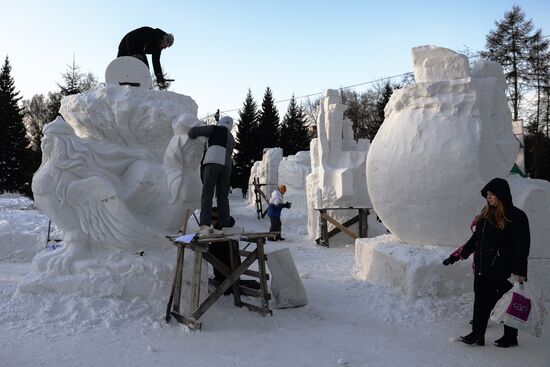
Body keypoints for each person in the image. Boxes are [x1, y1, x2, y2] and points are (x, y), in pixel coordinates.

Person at [446, 177, 530, 348]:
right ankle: (477, 335)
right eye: (488, 195)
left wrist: (520, 272)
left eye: (492, 194)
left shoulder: (516, 217)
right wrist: (456, 256)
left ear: (502, 195)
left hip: (503, 271)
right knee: (481, 303)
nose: (489, 197)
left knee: (508, 303)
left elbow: (522, 246)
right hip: (483, 269)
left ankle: (510, 337)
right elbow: (474, 240)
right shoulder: (485, 216)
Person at [188, 116, 235, 235]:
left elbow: (193, 132)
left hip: (213, 162)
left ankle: (205, 224)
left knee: (207, 194)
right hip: (227, 166)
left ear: (220, 123)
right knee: (223, 196)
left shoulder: (214, 129)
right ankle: (225, 224)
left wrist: (190, 133)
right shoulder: (231, 137)